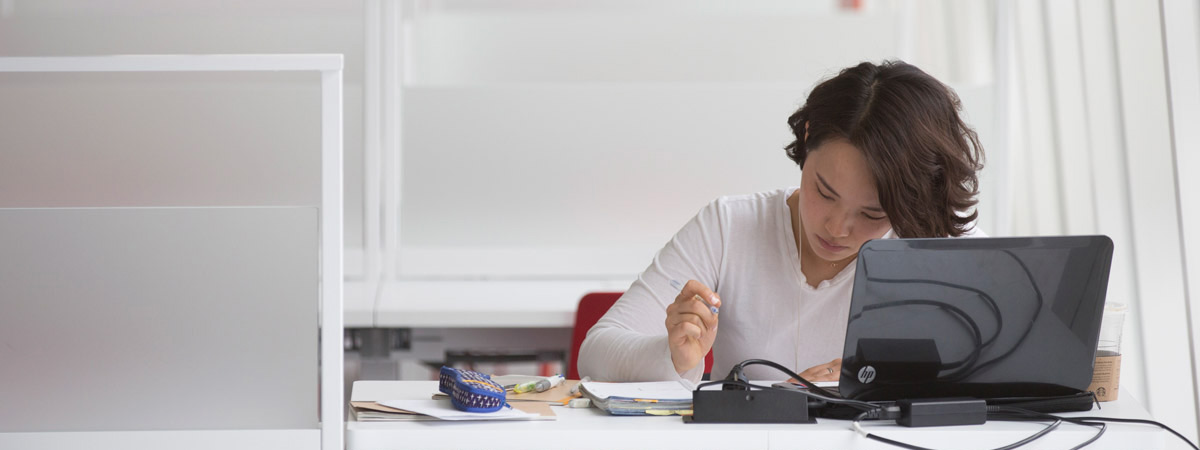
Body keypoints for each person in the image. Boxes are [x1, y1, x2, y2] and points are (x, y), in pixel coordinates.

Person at [577, 60, 986, 384]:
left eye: (873, 213)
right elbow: (596, 352)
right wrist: (673, 355)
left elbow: (1019, 366)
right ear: (808, 137)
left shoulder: (936, 243)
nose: (838, 228)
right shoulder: (730, 225)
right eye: (825, 192)